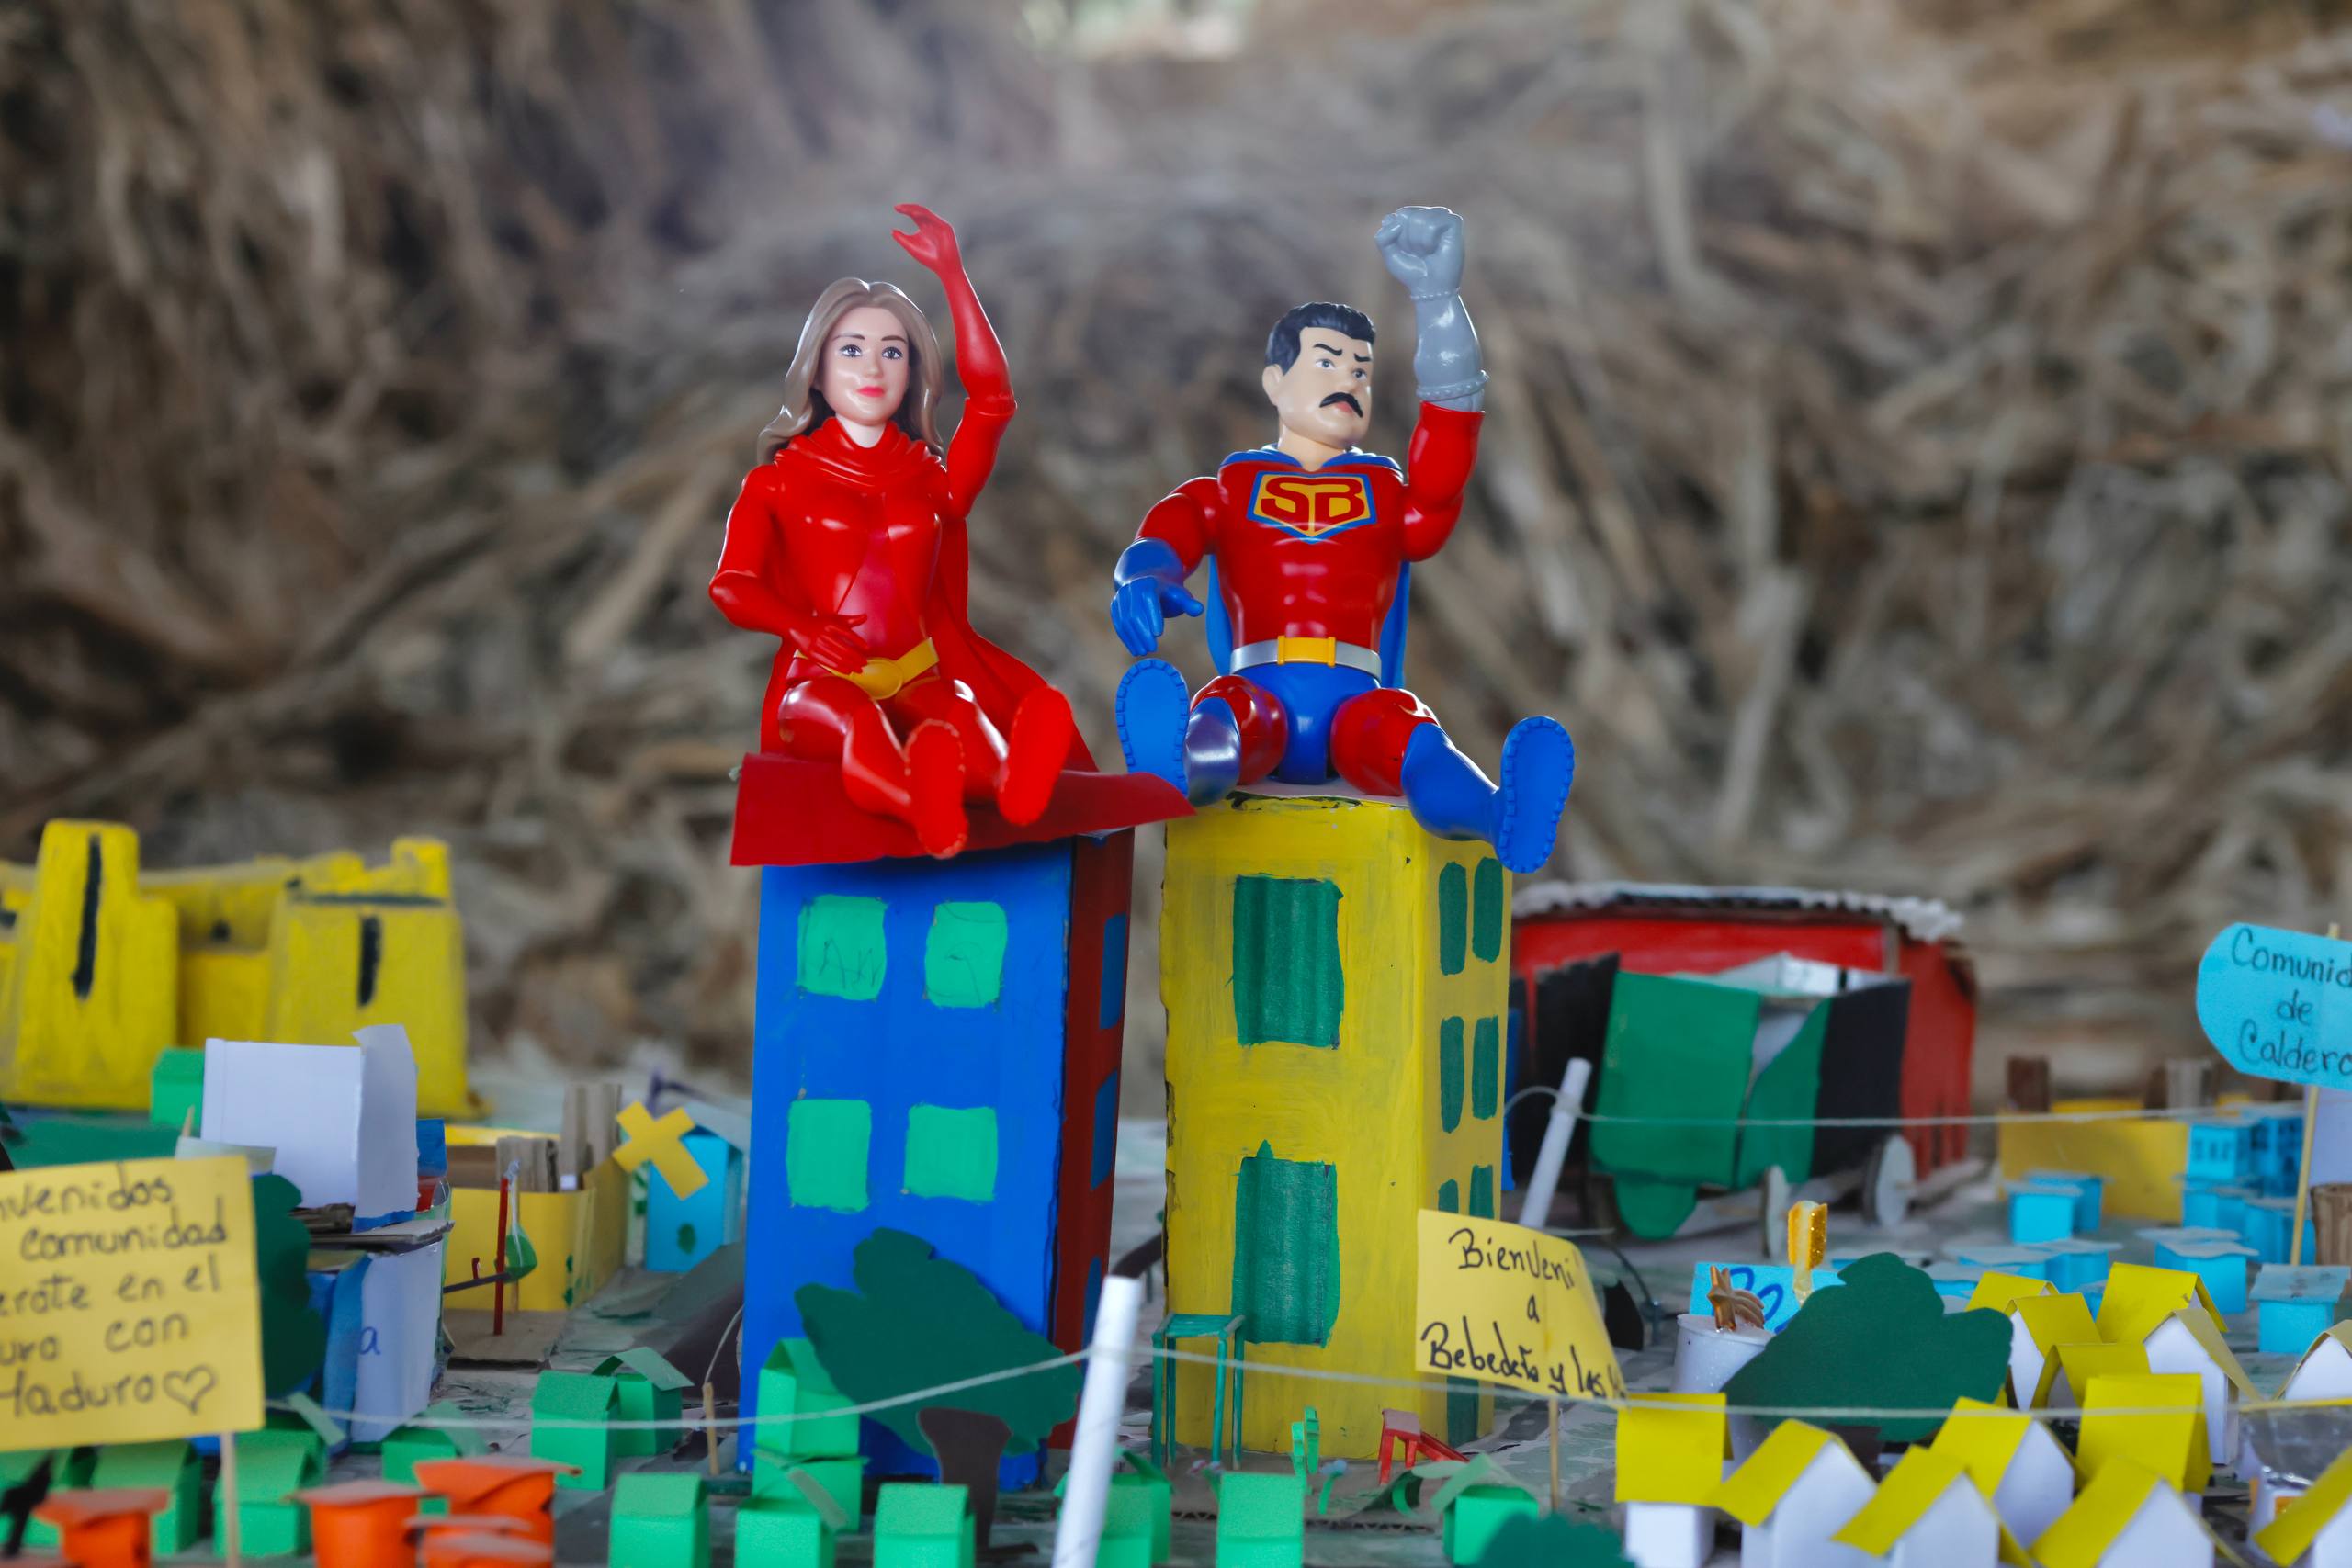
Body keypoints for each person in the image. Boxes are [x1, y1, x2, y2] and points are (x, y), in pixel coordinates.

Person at [1108, 205, 1574, 873]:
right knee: (1223, 723)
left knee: (1413, 740)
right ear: (1275, 382)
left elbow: (1443, 470)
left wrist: (1439, 301)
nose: (1348, 382)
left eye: (1360, 371)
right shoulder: (1232, 486)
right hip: (1258, 687)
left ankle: (1498, 815)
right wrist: (1144, 576)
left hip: (1357, 697)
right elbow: (1171, 526)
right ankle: (1176, 771)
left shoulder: (1386, 492)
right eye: (1326, 363)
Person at [711, 203, 1079, 858]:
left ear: (912, 373)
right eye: (851, 350)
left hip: (920, 677)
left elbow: (993, 404)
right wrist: (799, 627)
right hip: (820, 684)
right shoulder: (776, 482)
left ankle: (1008, 780)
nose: (872, 369)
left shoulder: (929, 480)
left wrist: (954, 277)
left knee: (964, 721)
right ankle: (919, 802)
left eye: (893, 352)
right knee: (860, 729)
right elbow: (731, 585)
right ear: (817, 370)